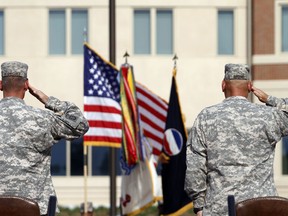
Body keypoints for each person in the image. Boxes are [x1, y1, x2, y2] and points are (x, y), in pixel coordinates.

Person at [184, 63, 288, 216]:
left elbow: (195, 166)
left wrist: (199, 205)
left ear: (223, 85)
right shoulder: (269, 116)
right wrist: (269, 99)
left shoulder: (206, 117)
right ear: (250, 86)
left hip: (220, 209)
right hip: (261, 208)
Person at [0, 61, 89, 215]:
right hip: (36, 209)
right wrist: (47, 100)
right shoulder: (42, 119)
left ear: (1, 85)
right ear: (26, 85)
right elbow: (80, 124)